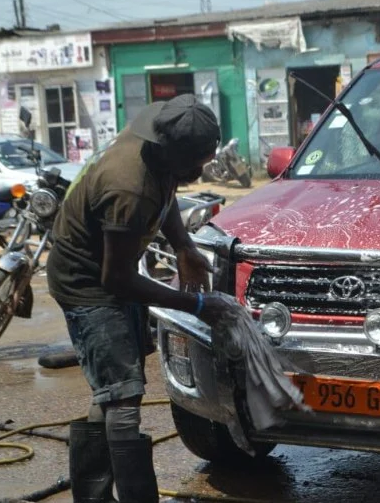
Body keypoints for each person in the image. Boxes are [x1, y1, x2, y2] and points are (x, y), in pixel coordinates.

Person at [46, 94, 240, 503]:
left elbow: (165, 193)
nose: (200, 171)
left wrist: (184, 246)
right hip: (86, 284)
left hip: (112, 269)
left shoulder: (155, 141)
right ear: (172, 154)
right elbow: (116, 280)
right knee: (123, 396)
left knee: (117, 382)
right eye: (197, 165)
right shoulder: (128, 186)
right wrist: (199, 306)